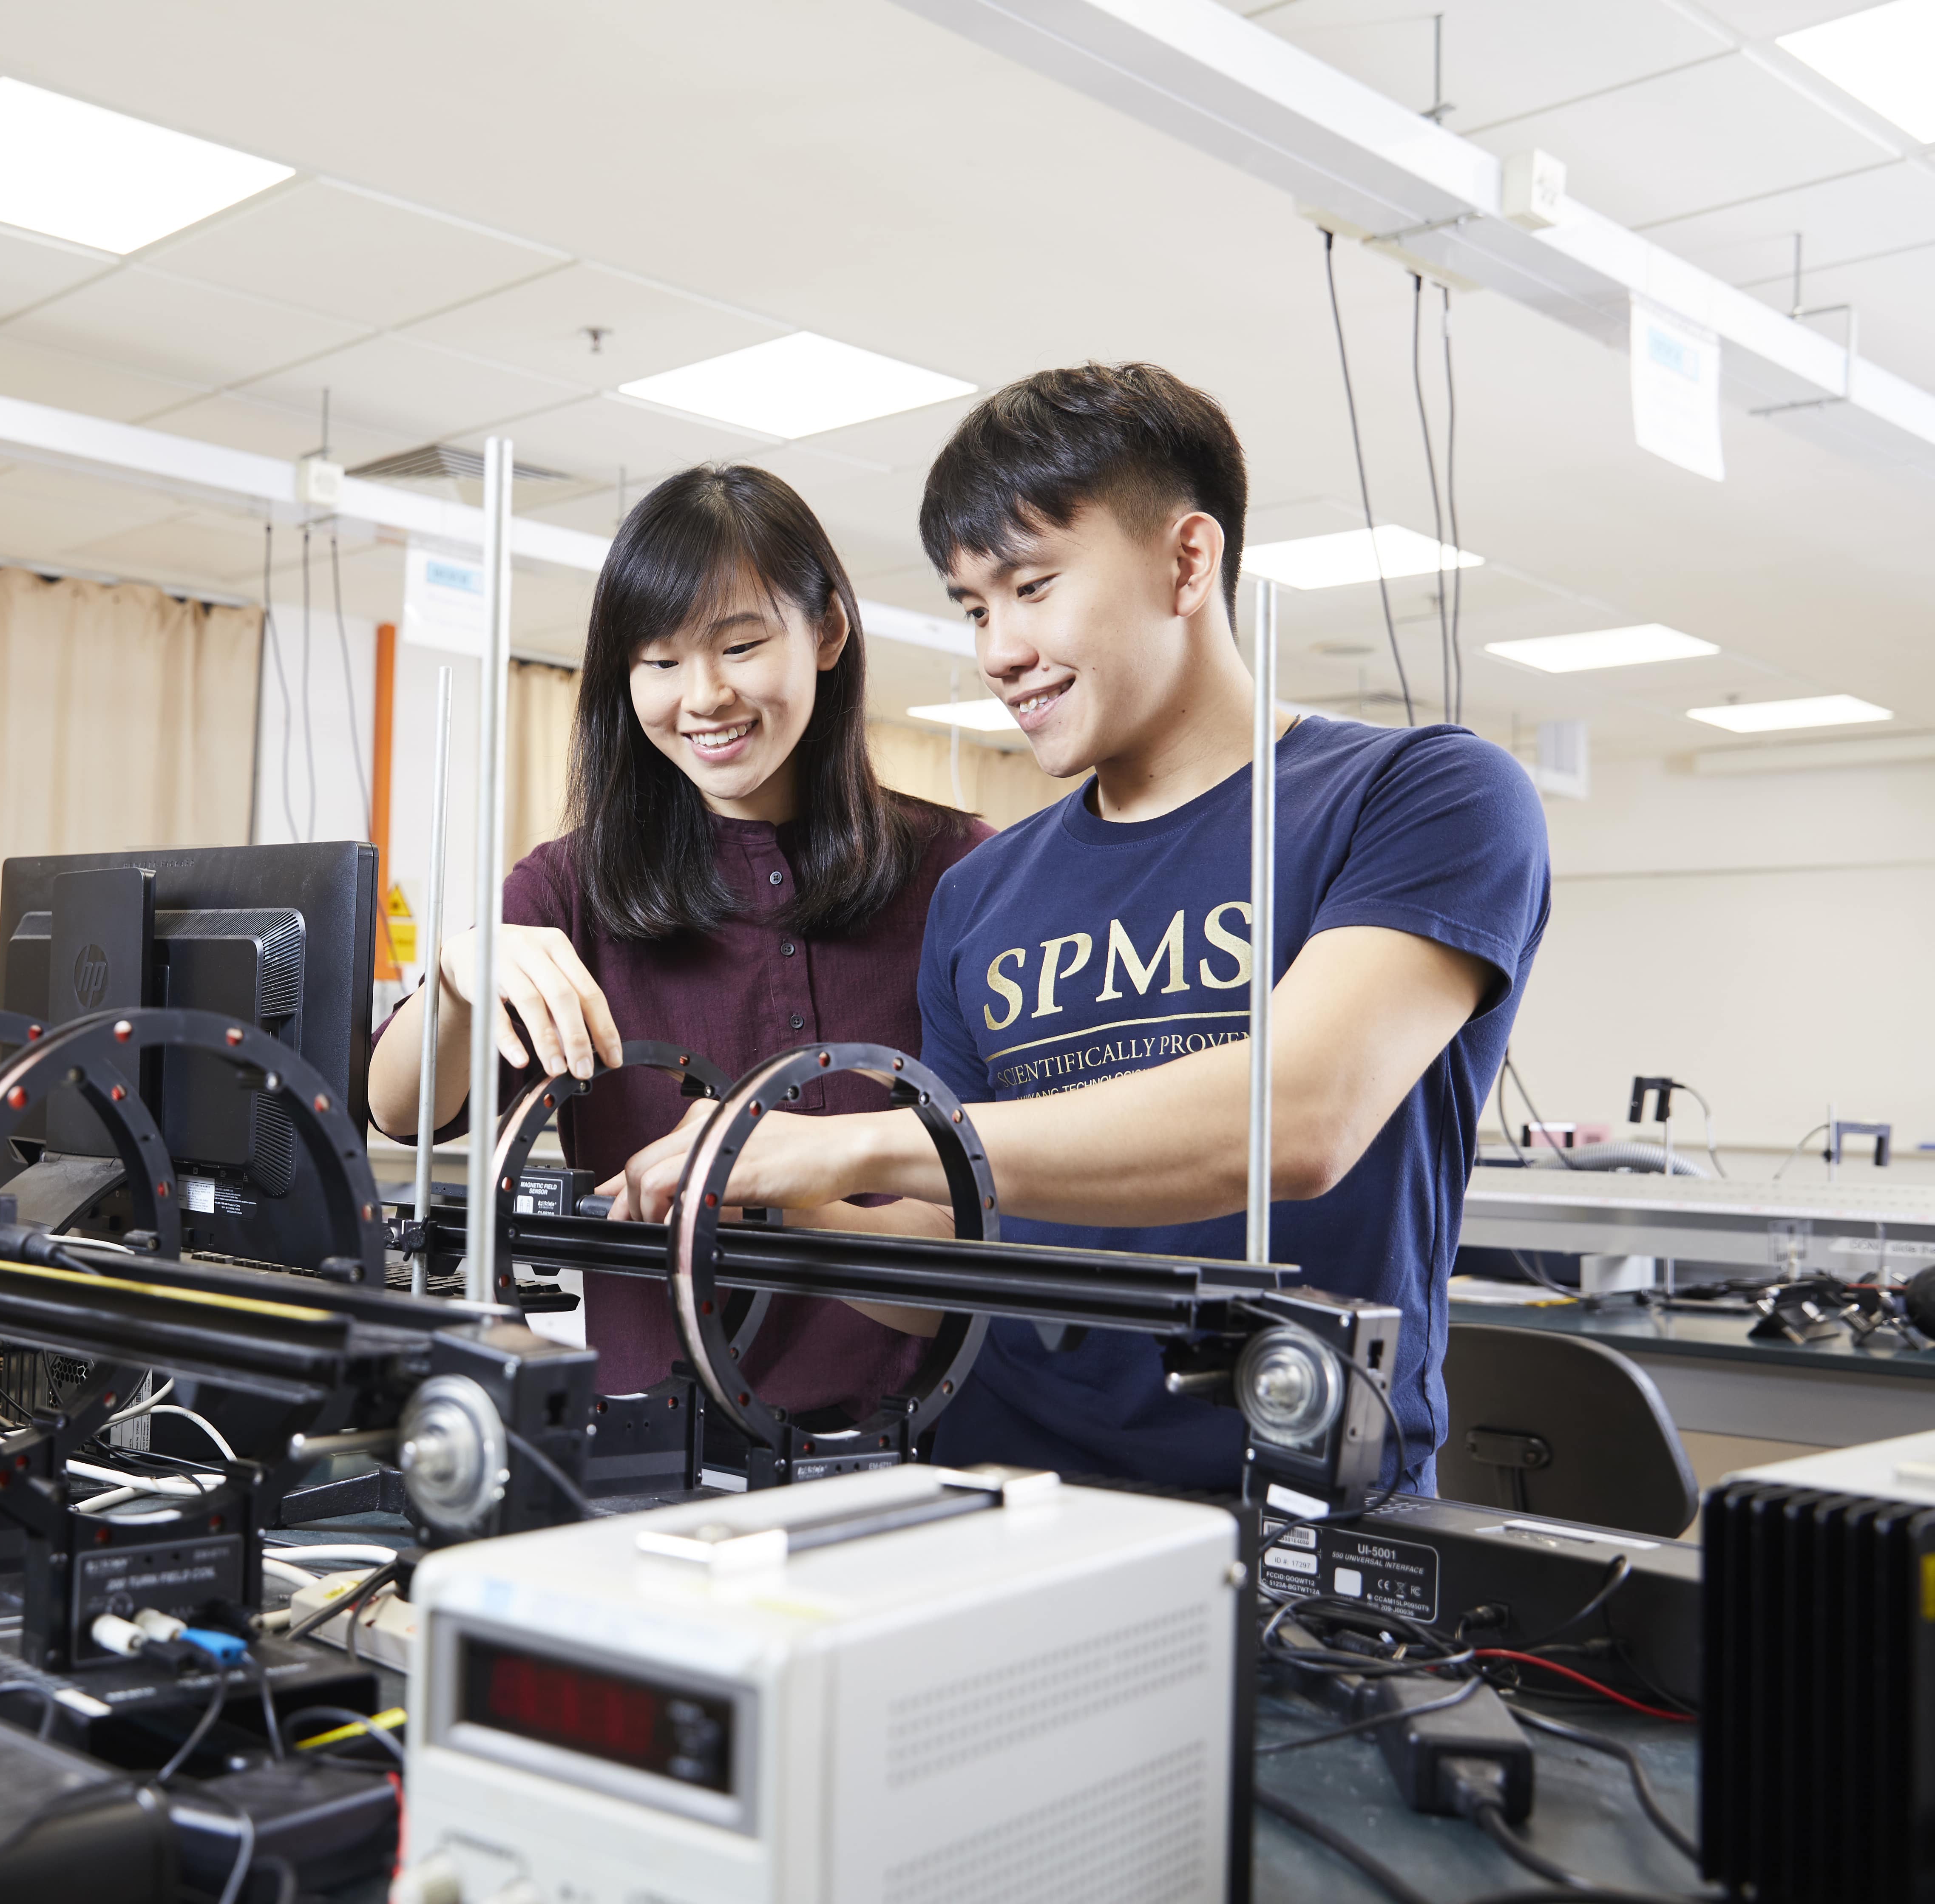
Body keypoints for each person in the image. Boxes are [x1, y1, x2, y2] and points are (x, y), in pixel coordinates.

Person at [605, 364, 1551, 1492]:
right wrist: (769, 1196)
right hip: (1007, 1495)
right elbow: (955, 1248)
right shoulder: (982, 890)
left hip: (1294, 1508)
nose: (998, 650)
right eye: (975, 607)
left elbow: (1298, 1117)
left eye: (1034, 586)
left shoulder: (1422, 796)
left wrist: (851, 1145)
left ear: (1187, 562)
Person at [367, 463, 988, 1424]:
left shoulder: (962, 871)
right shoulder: (573, 887)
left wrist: (784, 1196)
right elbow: (402, 1110)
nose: (703, 696)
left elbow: (990, 1242)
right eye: (659, 662)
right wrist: (456, 975)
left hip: (920, 1448)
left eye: (740, 645)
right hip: (653, 1457)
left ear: (827, 632)